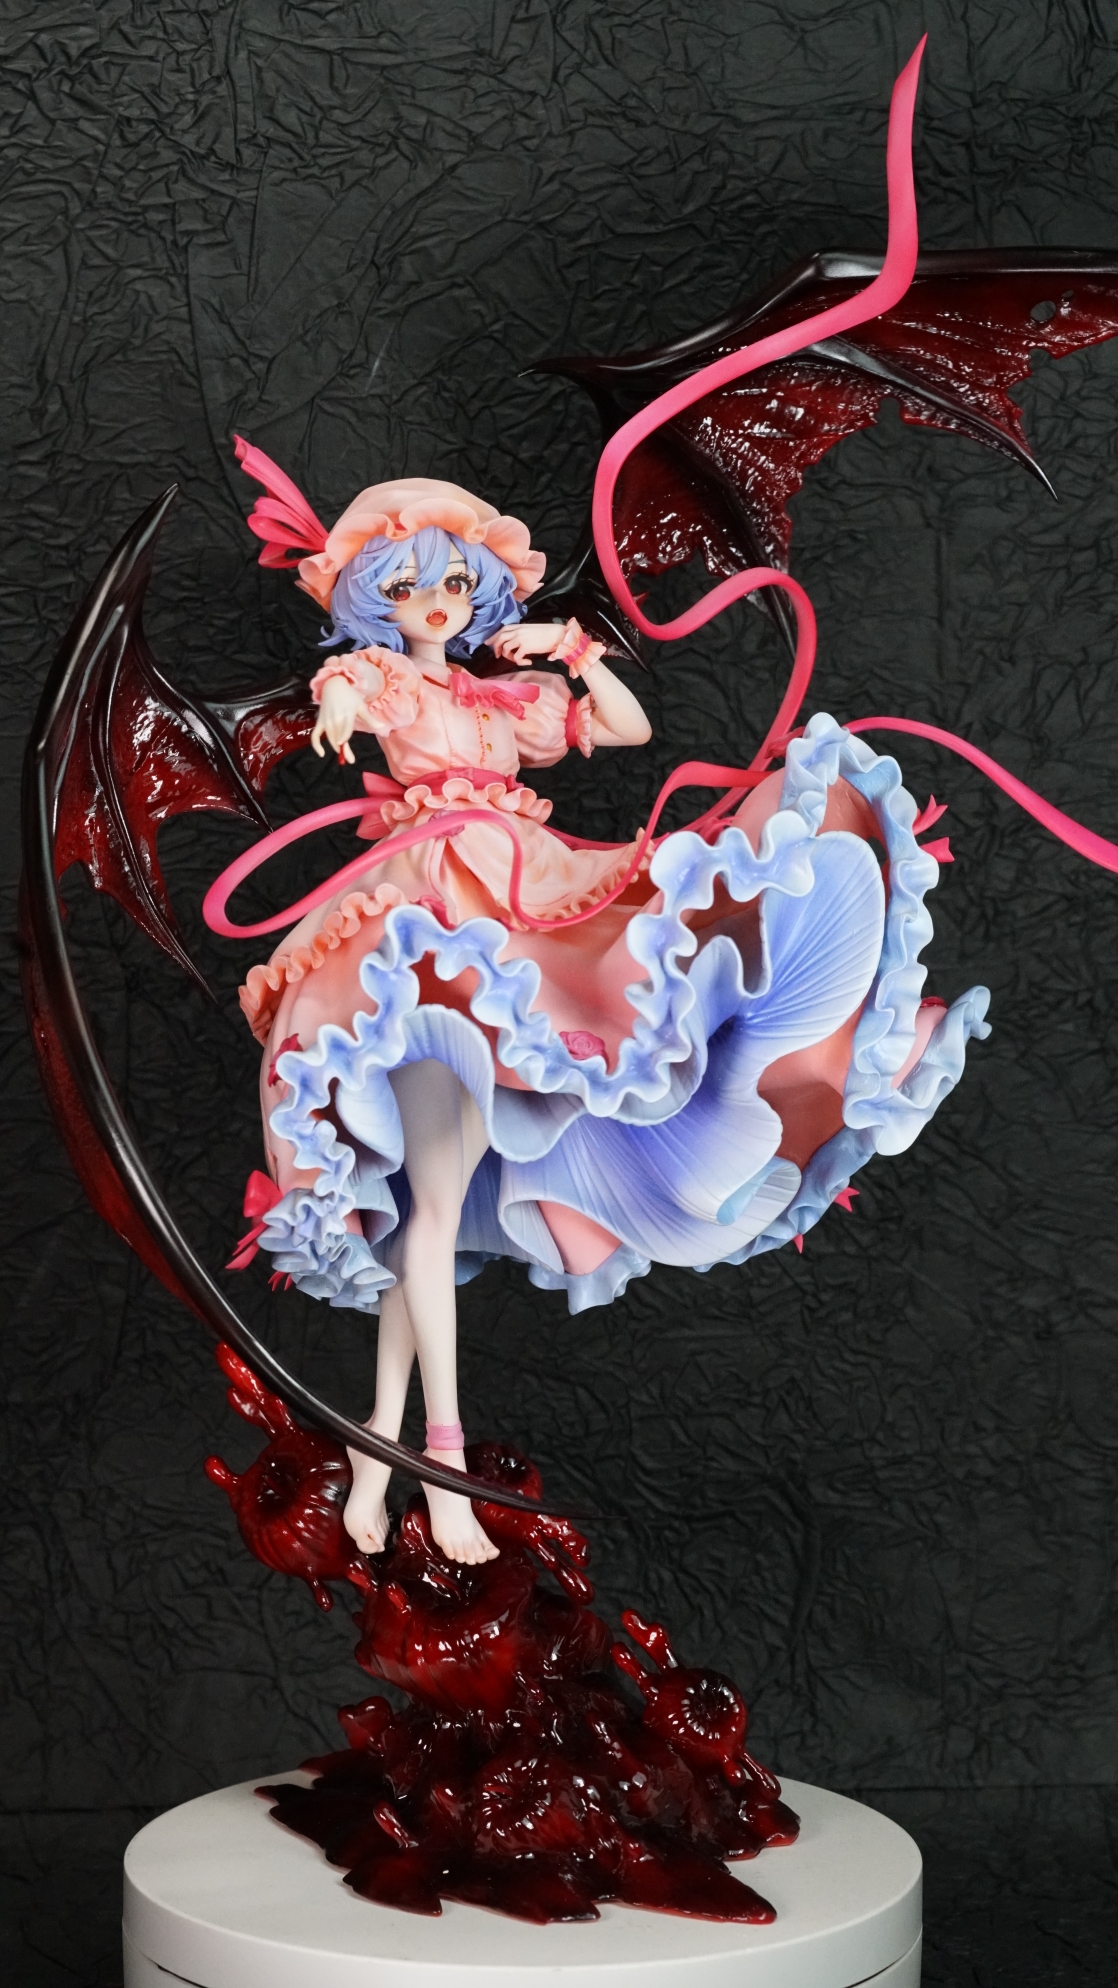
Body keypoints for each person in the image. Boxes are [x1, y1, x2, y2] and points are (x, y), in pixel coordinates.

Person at [215, 457, 988, 1566]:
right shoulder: (391, 682)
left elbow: (622, 728)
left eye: (454, 584)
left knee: (426, 1214)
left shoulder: (501, 698)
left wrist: (575, 653)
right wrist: (342, 698)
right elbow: (344, 692)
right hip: (426, 927)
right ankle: (434, 1474)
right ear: (374, 599)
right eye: (407, 587)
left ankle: (382, 1458)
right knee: (420, 1216)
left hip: (519, 899)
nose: (435, 606)